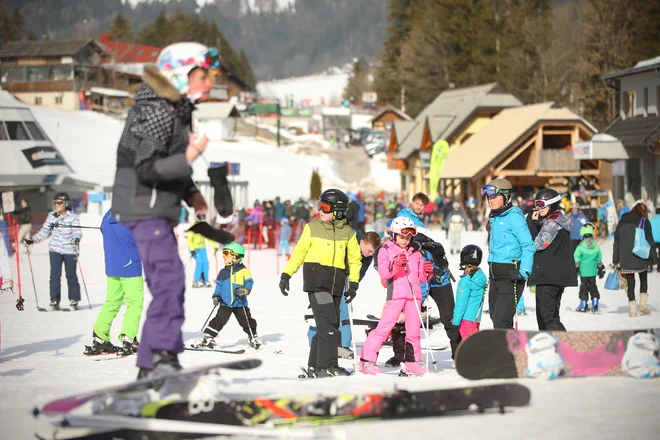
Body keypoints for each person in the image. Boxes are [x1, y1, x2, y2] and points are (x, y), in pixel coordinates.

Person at [111, 42, 219, 378]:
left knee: (168, 281)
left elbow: (166, 165)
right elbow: (146, 167)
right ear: (180, 74)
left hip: (155, 206)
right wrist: (188, 156)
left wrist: (192, 194)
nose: (209, 82)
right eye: (203, 75)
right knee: (169, 282)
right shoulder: (157, 109)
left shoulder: (173, 107)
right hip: (143, 207)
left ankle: (150, 366)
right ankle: (160, 357)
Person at [279, 188, 361, 378]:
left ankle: (314, 366)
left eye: (324, 207)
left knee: (327, 325)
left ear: (338, 210)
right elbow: (298, 253)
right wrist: (286, 275)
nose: (320, 211)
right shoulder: (312, 227)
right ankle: (328, 366)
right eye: (319, 206)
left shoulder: (347, 232)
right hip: (317, 282)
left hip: (337, 284)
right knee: (328, 326)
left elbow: (355, 259)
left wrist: (354, 284)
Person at [358, 217, 433, 376]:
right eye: (402, 237)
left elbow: (420, 277)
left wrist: (427, 272)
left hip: (414, 296)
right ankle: (366, 361)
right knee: (384, 328)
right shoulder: (385, 249)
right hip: (396, 295)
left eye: (408, 238)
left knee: (413, 331)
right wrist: (397, 264)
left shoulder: (416, 252)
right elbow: (384, 273)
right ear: (394, 235)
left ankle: (412, 362)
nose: (405, 241)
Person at [307, 231, 381, 359]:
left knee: (345, 310)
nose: (371, 254)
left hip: (345, 282)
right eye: (369, 250)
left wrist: (353, 285)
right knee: (321, 310)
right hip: (328, 277)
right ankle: (315, 342)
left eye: (373, 252)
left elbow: (360, 272)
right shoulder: (346, 242)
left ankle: (343, 345)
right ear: (361, 242)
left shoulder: (367, 256)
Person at [86, 209, 144, 356]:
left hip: (112, 266)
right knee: (135, 303)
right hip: (130, 266)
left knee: (112, 301)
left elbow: (102, 229)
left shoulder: (108, 214)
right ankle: (128, 338)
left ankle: (100, 337)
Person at [482, 179, 535, 329]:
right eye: (489, 197)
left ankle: (509, 352)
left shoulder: (514, 217)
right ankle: (509, 351)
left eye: (494, 197)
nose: (490, 201)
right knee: (496, 318)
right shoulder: (495, 216)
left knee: (501, 321)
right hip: (494, 274)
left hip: (510, 276)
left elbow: (528, 246)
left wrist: (523, 272)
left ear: (506, 197)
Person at [526, 188, 577, 330]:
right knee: (552, 316)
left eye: (542, 205)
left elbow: (536, 245)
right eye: (536, 204)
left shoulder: (552, 224)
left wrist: (533, 224)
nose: (538, 208)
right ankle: (562, 345)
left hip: (548, 277)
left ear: (552, 204)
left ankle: (558, 346)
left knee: (545, 317)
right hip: (556, 276)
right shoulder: (558, 220)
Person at [24, 192, 82, 310]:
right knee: (54, 275)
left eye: (59, 203)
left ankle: (74, 300)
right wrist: (32, 240)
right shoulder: (52, 217)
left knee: (71, 275)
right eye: (55, 203)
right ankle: (54, 300)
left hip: (69, 250)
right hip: (55, 249)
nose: (57, 205)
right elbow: (44, 231)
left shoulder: (73, 217)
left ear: (65, 204)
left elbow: (77, 231)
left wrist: (75, 239)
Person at [198, 242, 261, 349]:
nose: (224, 256)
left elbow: (249, 282)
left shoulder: (244, 271)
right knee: (219, 320)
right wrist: (216, 295)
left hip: (240, 302)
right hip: (225, 302)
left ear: (236, 256)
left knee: (246, 320)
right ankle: (208, 337)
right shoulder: (223, 272)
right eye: (223, 253)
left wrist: (245, 290)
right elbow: (219, 285)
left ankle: (252, 336)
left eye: (227, 253)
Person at [613, 202, 656, 317]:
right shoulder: (644, 221)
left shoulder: (621, 222)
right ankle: (643, 305)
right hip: (642, 256)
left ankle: (632, 311)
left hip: (626, 258)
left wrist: (615, 259)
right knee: (643, 280)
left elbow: (616, 242)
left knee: (630, 284)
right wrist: (654, 258)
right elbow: (650, 240)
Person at [452, 245, 488, 340]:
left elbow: (461, 303)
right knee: (474, 344)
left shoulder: (466, 281)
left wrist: (455, 321)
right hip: (475, 318)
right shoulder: (480, 277)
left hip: (466, 321)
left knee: (470, 348)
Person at [573, 223, 604, 313]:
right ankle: (595, 303)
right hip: (593, 272)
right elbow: (599, 259)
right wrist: (600, 268)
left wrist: (576, 269)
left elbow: (577, 259)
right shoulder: (596, 247)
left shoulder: (580, 247)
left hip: (583, 272)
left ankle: (583, 304)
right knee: (593, 287)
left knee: (583, 288)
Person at [188, 214, 219, 288]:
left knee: (205, 263)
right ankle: (196, 280)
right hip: (194, 248)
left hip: (202, 248)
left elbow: (209, 237)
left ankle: (205, 280)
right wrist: (192, 249)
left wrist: (214, 246)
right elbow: (189, 240)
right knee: (200, 263)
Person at [651, 207, 660, 272]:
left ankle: (650, 267)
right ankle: (659, 268)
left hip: (653, 239)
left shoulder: (652, 220)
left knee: (651, 253)